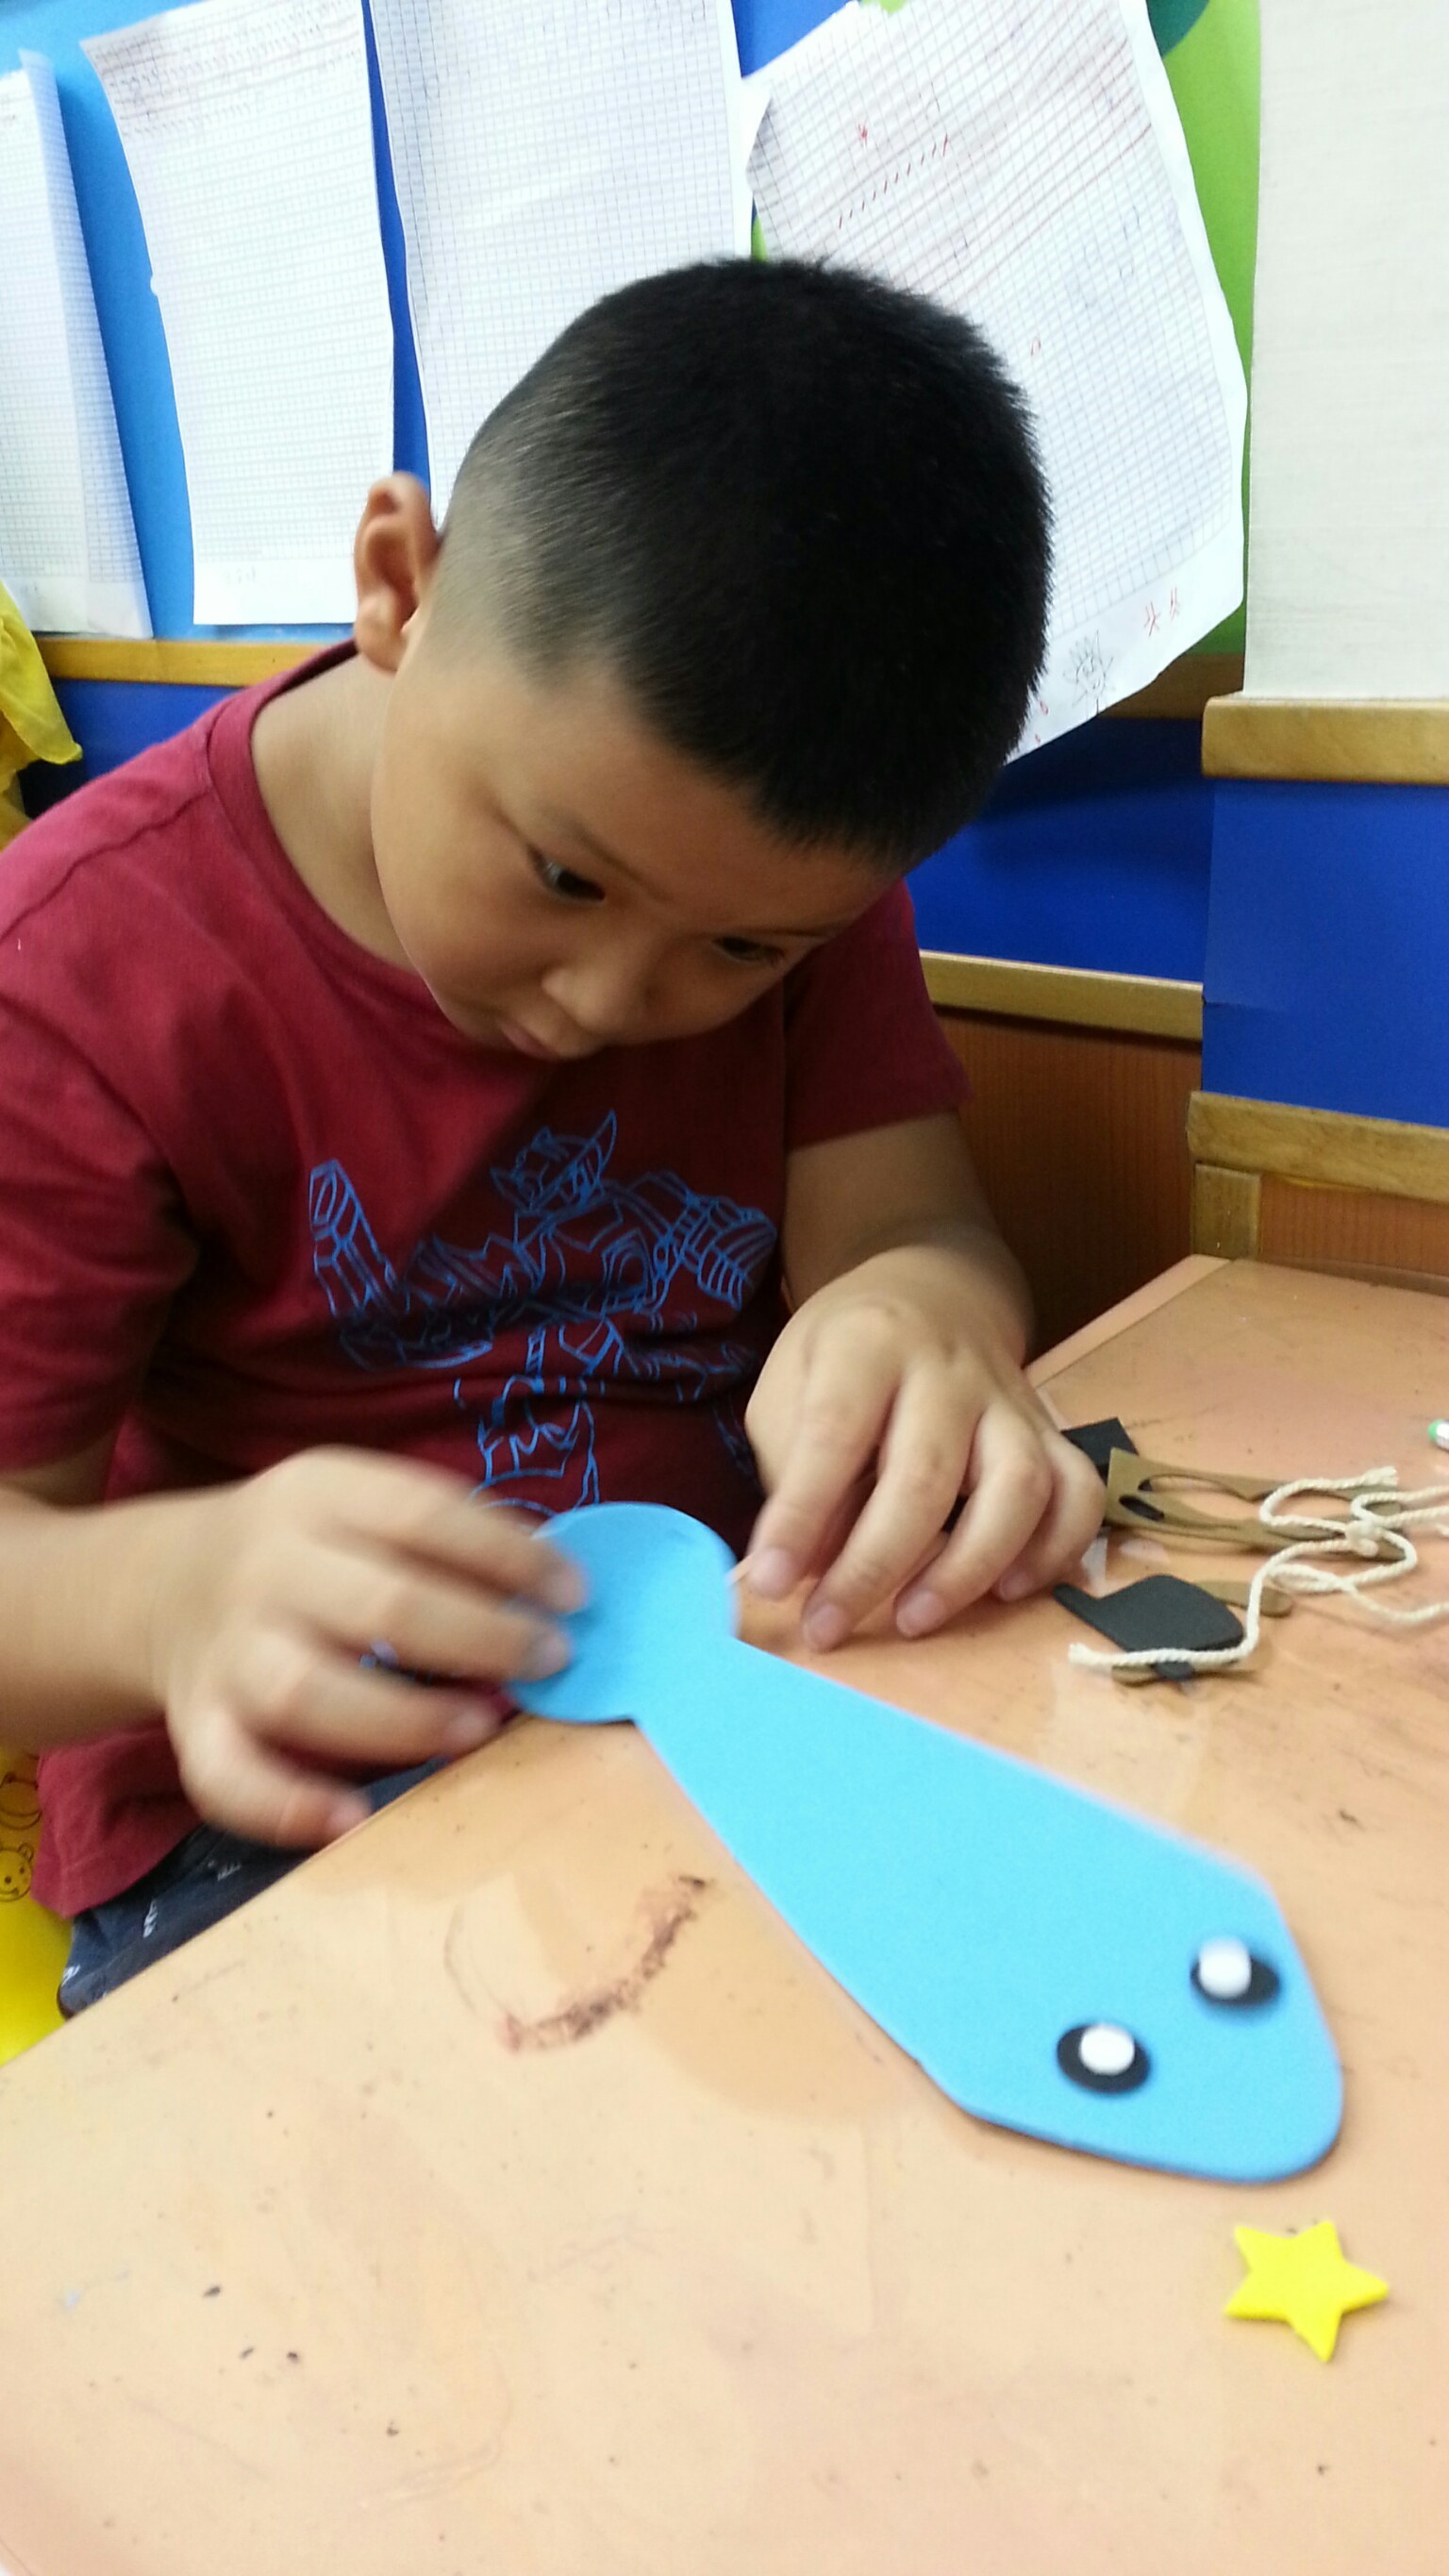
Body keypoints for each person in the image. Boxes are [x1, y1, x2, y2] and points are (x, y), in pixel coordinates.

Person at [0, 260, 1101, 2008]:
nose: (608, 995)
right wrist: (167, 1593)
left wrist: (925, 1312)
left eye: (740, 954)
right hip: (285, 1812)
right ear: (399, 585)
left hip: (730, 1678)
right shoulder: (80, 969)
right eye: (565, 876)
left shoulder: (778, 887)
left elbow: (919, 1233)